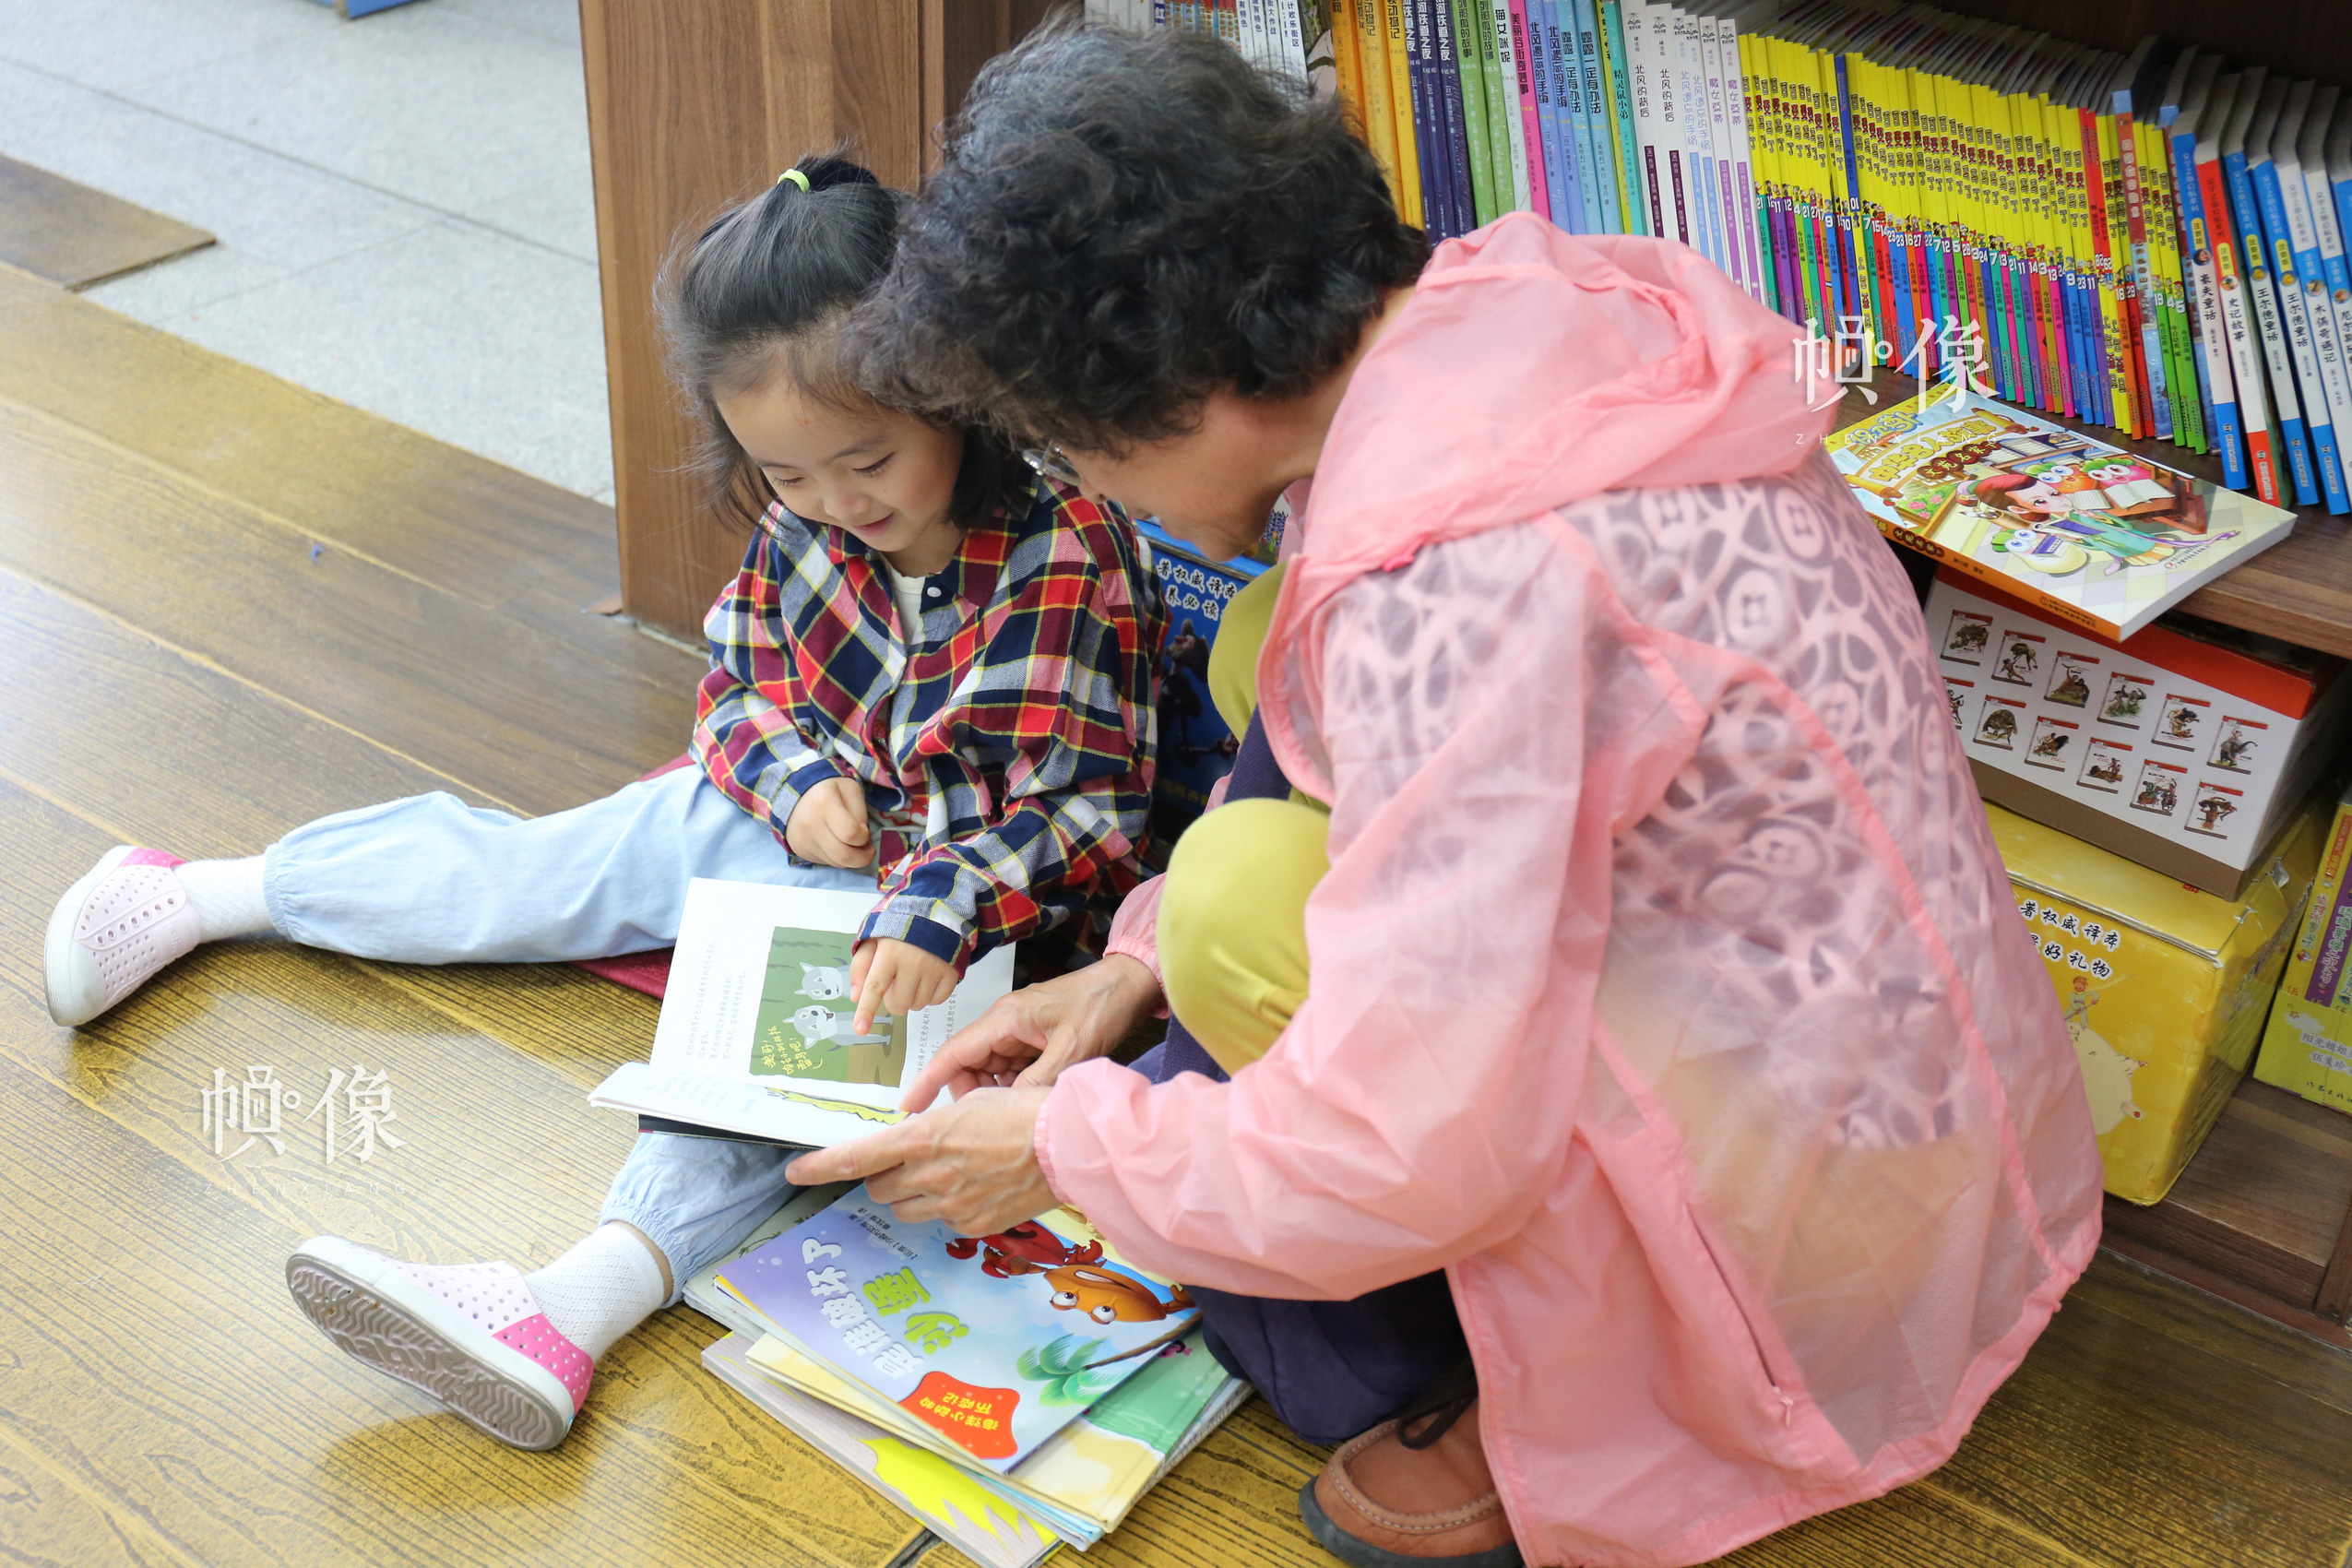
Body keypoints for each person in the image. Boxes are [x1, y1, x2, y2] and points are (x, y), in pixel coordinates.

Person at [789, 26, 2102, 1568]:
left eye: (1075, 441)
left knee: (1245, 934)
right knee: (1263, 673)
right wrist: (1128, 973)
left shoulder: (1455, 583)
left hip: (1788, 1213)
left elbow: (1422, 1142)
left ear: (1187, 386)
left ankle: (1562, 1384)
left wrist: (1068, 1151)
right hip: (1891, 1061)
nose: (1088, 485)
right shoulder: (1522, 308)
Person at [39, 156, 1164, 1454]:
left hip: (950, 918)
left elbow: (1093, 817)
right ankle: (198, 891)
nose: (838, 505)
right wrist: (796, 789)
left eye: (870, 460)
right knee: (540, 875)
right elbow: (735, 693)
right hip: (782, 821)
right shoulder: (799, 522)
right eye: (789, 477)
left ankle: (569, 1304)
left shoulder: (1066, 548)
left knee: (782, 1091)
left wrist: (936, 895)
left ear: (951, 387)